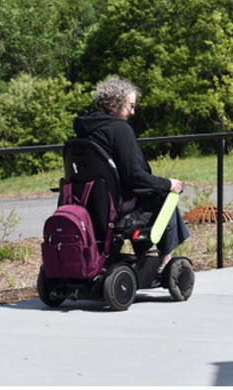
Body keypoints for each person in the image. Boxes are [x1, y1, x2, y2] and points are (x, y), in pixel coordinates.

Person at [73, 75, 190, 267]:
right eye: (130, 105)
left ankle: (144, 256)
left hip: (89, 202)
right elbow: (134, 175)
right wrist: (168, 183)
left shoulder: (85, 129)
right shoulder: (119, 129)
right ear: (116, 103)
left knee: (155, 193)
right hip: (117, 205)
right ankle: (164, 263)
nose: (132, 112)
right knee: (166, 197)